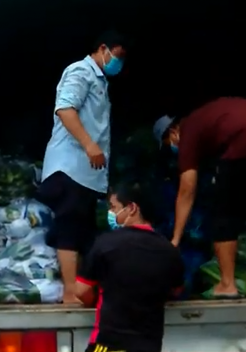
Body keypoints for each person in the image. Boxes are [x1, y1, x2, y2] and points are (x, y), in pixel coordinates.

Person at [154, 96, 246, 299]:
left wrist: (176, 238)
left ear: (173, 132)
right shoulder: (209, 116)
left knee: (224, 213)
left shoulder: (188, 132)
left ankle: (227, 285)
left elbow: (187, 189)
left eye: (169, 144)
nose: (173, 148)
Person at [36, 30, 128, 304]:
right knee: (69, 230)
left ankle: (81, 290)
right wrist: (89, 145)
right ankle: (68, 292)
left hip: (86, 175)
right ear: (103, 48)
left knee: (84, 233)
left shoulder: (100, 81)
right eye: (118, 56)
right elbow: (65, 109)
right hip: (71, 168)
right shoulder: (81, 71)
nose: (118, 63)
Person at [76, 181, 184, 352]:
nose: (110, 213)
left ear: (132, 208)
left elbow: (82, 291)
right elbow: (175, 291)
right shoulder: (169, 251)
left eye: (113, 207)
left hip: (110, 344)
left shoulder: (106, 243)